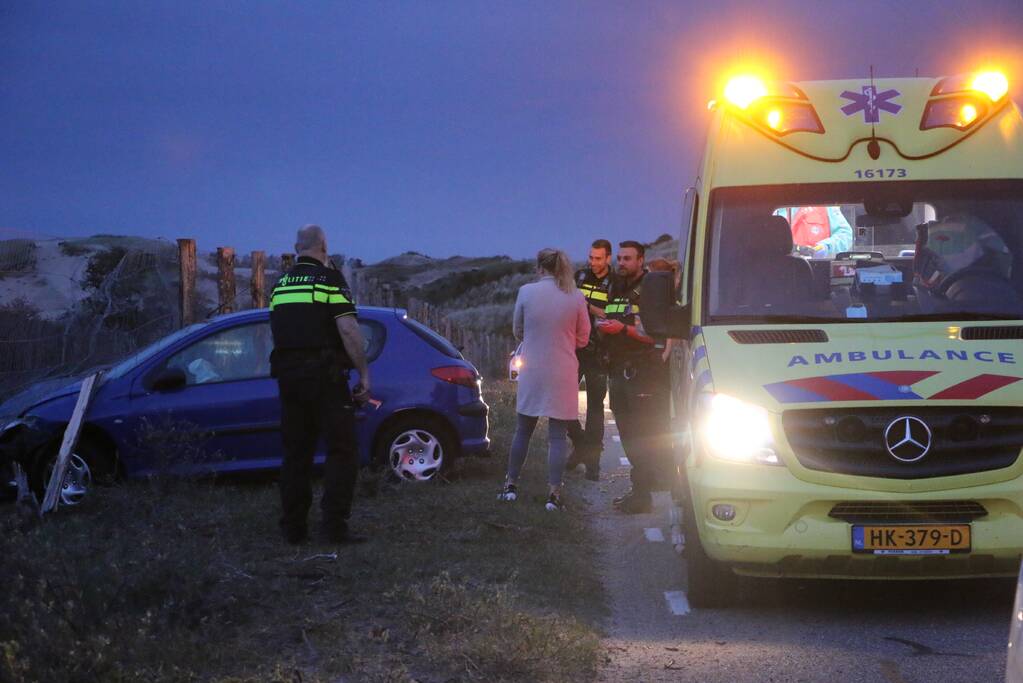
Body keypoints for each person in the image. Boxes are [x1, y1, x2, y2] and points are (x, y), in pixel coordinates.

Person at [268, 224, 371, 545]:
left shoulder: (280, 284)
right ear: (324, 247)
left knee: (296, 454)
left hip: (288, 379)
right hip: (325, 379)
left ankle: (293, 528)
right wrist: (364, 374)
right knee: (342, 450)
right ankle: (334, 527)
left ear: (297, 247)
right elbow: (349, 331)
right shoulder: (329, 279)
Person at [498, 248, 591, 511]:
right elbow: (584, 337)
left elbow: (518, 330)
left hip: (533, 369)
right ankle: (553, 494)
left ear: (540, 268)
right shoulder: (576, 296)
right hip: (563, 369)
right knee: (558, 436)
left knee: (523, 430)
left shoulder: (526, 292)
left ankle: (510, 485)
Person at [597, 240, 671, 514]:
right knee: (628, 433)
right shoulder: (617, 287)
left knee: (643, 434)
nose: (622, 263)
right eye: (619, 258)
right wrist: (604, 328)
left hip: (641, 372)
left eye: (628, 258)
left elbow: (654, 335)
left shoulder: (650, 290)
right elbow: (613, 316)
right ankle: (640, 491)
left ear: (641, 260)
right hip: (617, 371)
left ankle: (644, 494)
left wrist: (622, 330)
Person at [565, 238, 616, 481]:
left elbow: (616, 312)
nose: (593, 262)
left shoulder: (615, 282)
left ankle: (592, 464)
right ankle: (581, 444)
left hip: (599, 352)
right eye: (591, 257)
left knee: (595, 407)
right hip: (573, 349)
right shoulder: (580, 276)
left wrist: (589, 307)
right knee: (562, 400)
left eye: (598, 258)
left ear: (608, 258)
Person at [774, 206, 853, 257]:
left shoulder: (825, 205)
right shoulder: (774, 209)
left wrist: (826, 247)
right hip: (782, 270)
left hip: (817, 268)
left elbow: (845, 234)